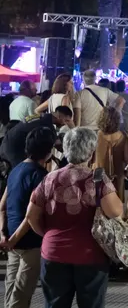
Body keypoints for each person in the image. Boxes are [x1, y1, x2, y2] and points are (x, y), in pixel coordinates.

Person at [25, 128, 124, 308]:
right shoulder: (98, 179)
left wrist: (47, 234)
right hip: (90, 255)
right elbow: (115, 211)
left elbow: (31, 215)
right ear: (92, 153)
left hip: (54, 253)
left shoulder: (49, 179)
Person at [0, 128, 56, 308]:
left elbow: (2, 206)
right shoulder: (40, 176)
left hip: (10, 239)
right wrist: (16, 237)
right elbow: (32, 214)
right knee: (22, 293)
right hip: (29, 241)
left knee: (11, 290)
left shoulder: (15, 171)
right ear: (48, 152)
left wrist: (4, 234)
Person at [1, 108, 73, 169]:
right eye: (66, 120)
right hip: (14, 150)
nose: (65, 124)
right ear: (59, 116)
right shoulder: (47, 126)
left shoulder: (42, 116)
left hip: (6, 142)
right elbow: (57, 146)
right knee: (22, 174)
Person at [95, 106, 128, 202]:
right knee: (117, 202)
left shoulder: (96, 136)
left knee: (100, 201)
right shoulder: (124, 137)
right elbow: (127, 158)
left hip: (99, 174)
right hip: (117, 174)